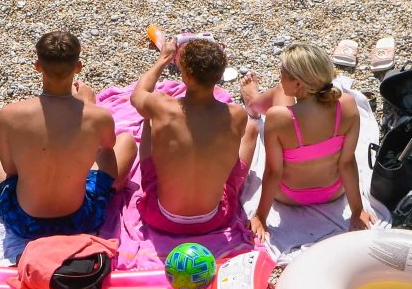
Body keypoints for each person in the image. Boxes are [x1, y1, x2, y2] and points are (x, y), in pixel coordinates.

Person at [0, 31, 136, 240]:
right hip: (79, 220)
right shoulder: (98, 116)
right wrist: (87, 106)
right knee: (126, 142)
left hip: (25, 222)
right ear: (78, 67)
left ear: (37, 66)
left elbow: (10, 170)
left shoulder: (11, 113)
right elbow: (107, 152)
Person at [240, 43, 374, 241]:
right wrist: (357, 210)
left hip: (290, 196)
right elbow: (346, 162)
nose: (280, 76)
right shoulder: (346, 105)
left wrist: (261, 216)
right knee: (281, 94)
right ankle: (252, 100)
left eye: (283, 72)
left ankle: (252, 103)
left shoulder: (278, 118)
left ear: (298, 84)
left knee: (279, 92)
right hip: (334, 191)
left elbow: (273, 172)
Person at [130, 37, 252, 236]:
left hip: (160, 217)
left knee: (149, 119)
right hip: (213, 220)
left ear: (185, 75)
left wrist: (163, 59)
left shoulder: (160, 106)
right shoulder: (236, 114)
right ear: (219, 75)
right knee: (252, 130)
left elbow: (138, 94)